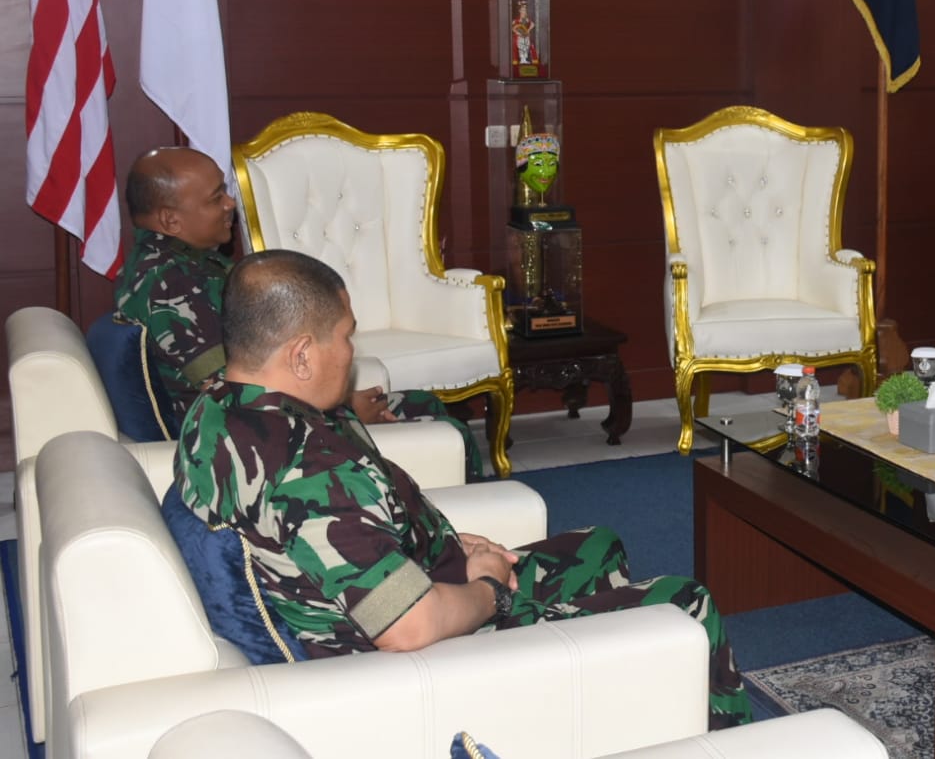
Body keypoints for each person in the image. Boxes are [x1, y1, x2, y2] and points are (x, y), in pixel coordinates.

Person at [174, 250, 752, 728]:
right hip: (429, 657)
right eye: (346, 336)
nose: (352, 352)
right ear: (301, 354)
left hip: (411, 587)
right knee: (686, 604)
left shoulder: (216, 411)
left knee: (599, 546)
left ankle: (621, 704)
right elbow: (410, 626)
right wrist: (488, 589)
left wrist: (445, 545)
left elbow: (342, 541)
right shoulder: (312, 470)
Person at [114, 147, 484, 479]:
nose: (229, 203)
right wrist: (343, 408)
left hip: (276, 413)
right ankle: (477, 510)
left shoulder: (172, 266)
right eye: (215, 199)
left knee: (423, 402)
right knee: (441, 424)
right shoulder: (173, 285)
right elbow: (236, 390)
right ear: (171, 220)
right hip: (263, 441)